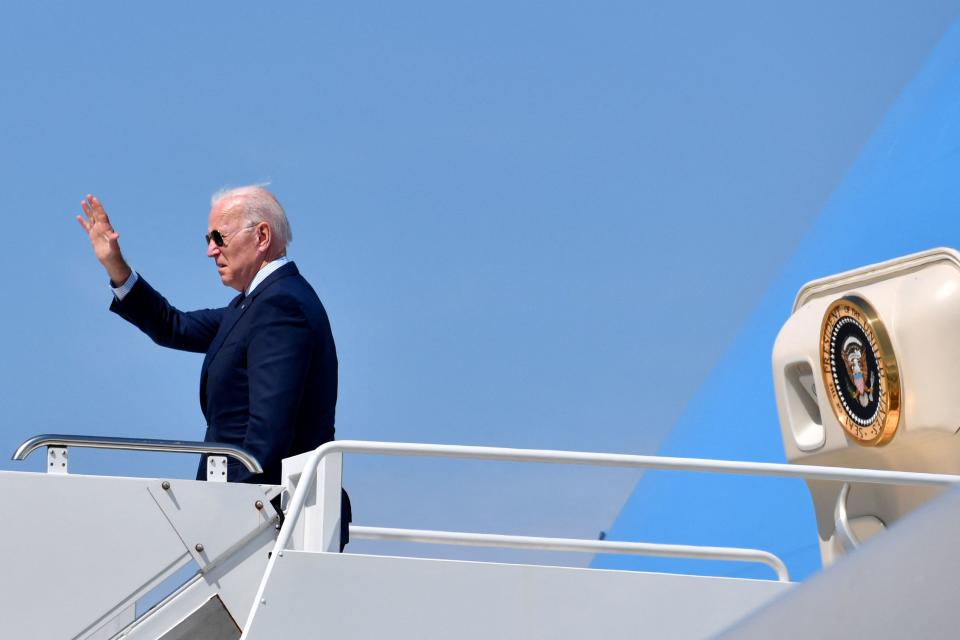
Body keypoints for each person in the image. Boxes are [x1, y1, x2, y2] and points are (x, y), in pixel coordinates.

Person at [76, 186, 349, 548]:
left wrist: (223, 514)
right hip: (250, 516)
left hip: (268, 524)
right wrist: (116, 265)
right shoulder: (254, 306)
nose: (210, 250)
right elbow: (173, 325)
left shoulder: (282, 306)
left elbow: (269, 433)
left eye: (219, 237)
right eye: (209, 238)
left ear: (262, 236)